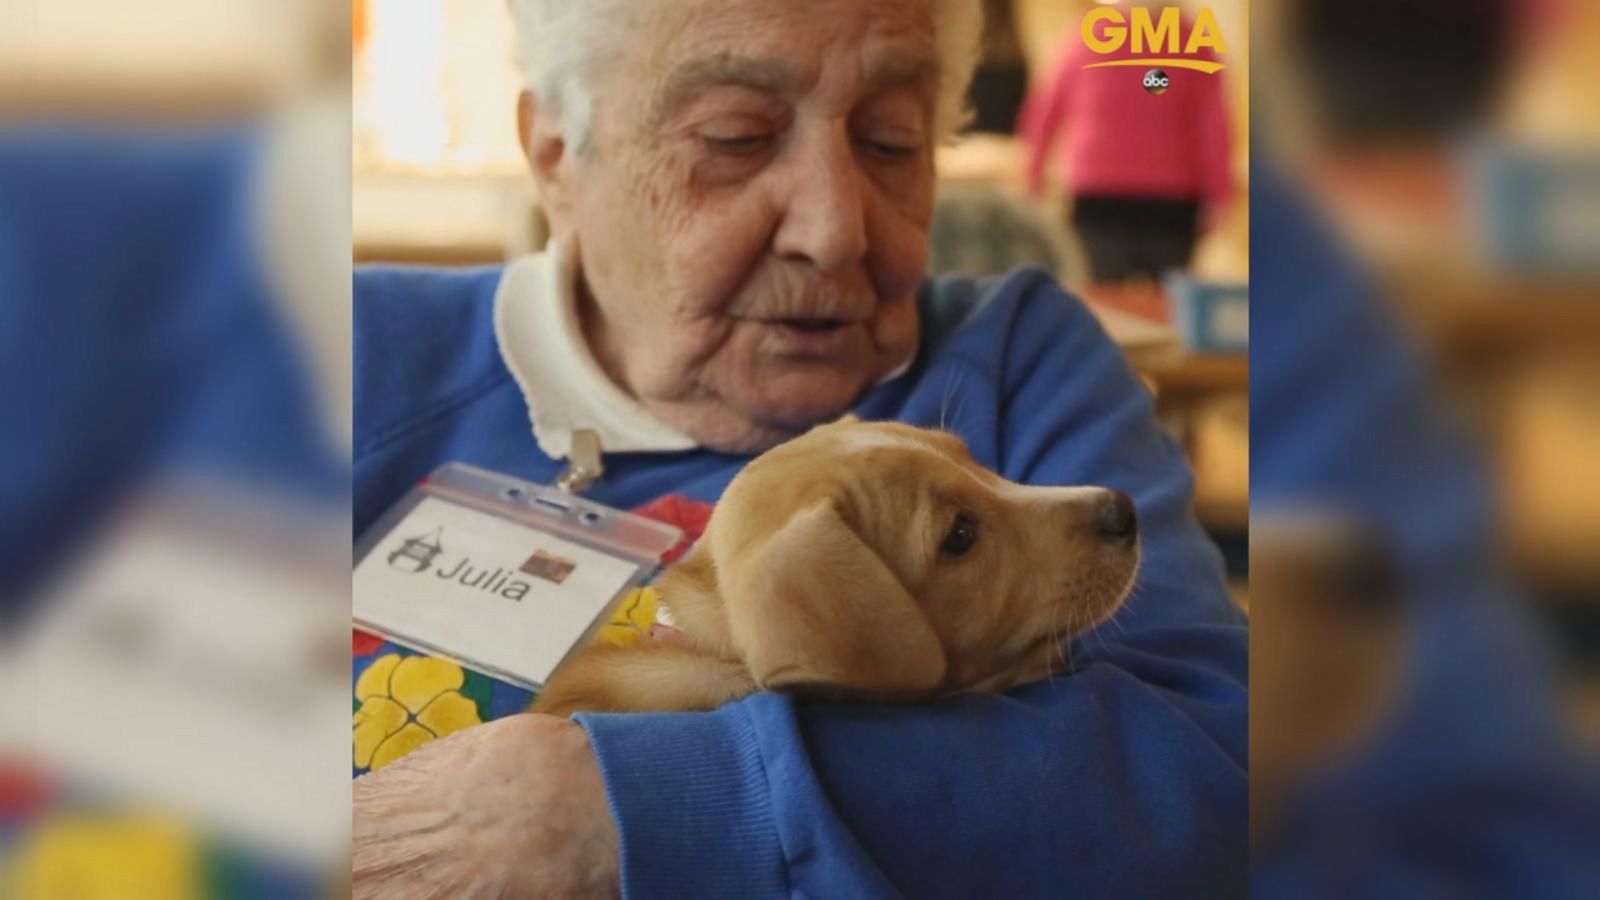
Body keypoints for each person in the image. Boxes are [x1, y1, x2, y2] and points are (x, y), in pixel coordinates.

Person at [350, 1, 1247, 896]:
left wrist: (631, 807)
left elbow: (1215, 762)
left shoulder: (1015, 360)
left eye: (893, 141)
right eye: (736, 138)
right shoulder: (355, 352)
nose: (834, 230)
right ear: (557, 157)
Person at [1018, 8, 1233, 283]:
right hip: (1171, 199)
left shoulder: (1092, 33)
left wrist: (1032, 176)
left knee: (1101, 298)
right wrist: (1219, 195)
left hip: (1098, 193)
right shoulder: (1192, 41)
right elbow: (1213, 126)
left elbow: (1045, 108)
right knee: (1165, 303)